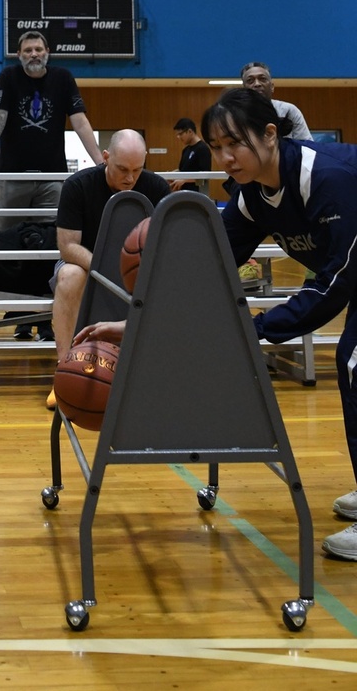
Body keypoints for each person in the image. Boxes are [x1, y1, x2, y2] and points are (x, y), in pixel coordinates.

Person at [80, 87, 357, 563]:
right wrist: (142, 322)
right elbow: (205, 270)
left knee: (353, 364)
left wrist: (257, 327)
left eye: (235, 144)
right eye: (215, 146)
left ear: (270, 135)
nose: (225, 157)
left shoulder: (329, 178)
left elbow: (334, 285)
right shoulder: (253, 197)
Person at [49, 130, 169, 400]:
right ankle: (65, 371)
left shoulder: (157, 188)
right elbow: (67, 246)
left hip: (138, 270)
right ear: (105, 157)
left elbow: (166, 245)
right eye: (122, 169)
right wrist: (106, 267)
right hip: (88, 264)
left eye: (137, 170)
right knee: (69, 275)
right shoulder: (77, 186)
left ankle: (157, 369)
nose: (130, 178)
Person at [0, 31, 102, 230]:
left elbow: (80, 122)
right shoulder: (8, 77)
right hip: (13, 175)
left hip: (52, 176)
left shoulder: (63, 78)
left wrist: (100, 162)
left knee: (51, 237)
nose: (34, 54)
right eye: (28, 50)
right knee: (7, 237)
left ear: (47, 52)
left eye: (38, 49)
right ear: (19, 54)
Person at [240, 62, 312, 141]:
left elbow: (307, 146)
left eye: (262, 79)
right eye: (250, 80)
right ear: (244, 89)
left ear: (272, 87)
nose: (257, 84)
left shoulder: (288, 110)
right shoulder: (235, 113)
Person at [172, 116, 211, 192]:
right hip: (184, 192)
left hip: (198, 192)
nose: (179, 137)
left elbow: (205, 175)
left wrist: (184, 180)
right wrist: (171, 175)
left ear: (190, 131)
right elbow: (182, 170)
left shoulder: (202, 149)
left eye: (180, 134)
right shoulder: (186, 150)